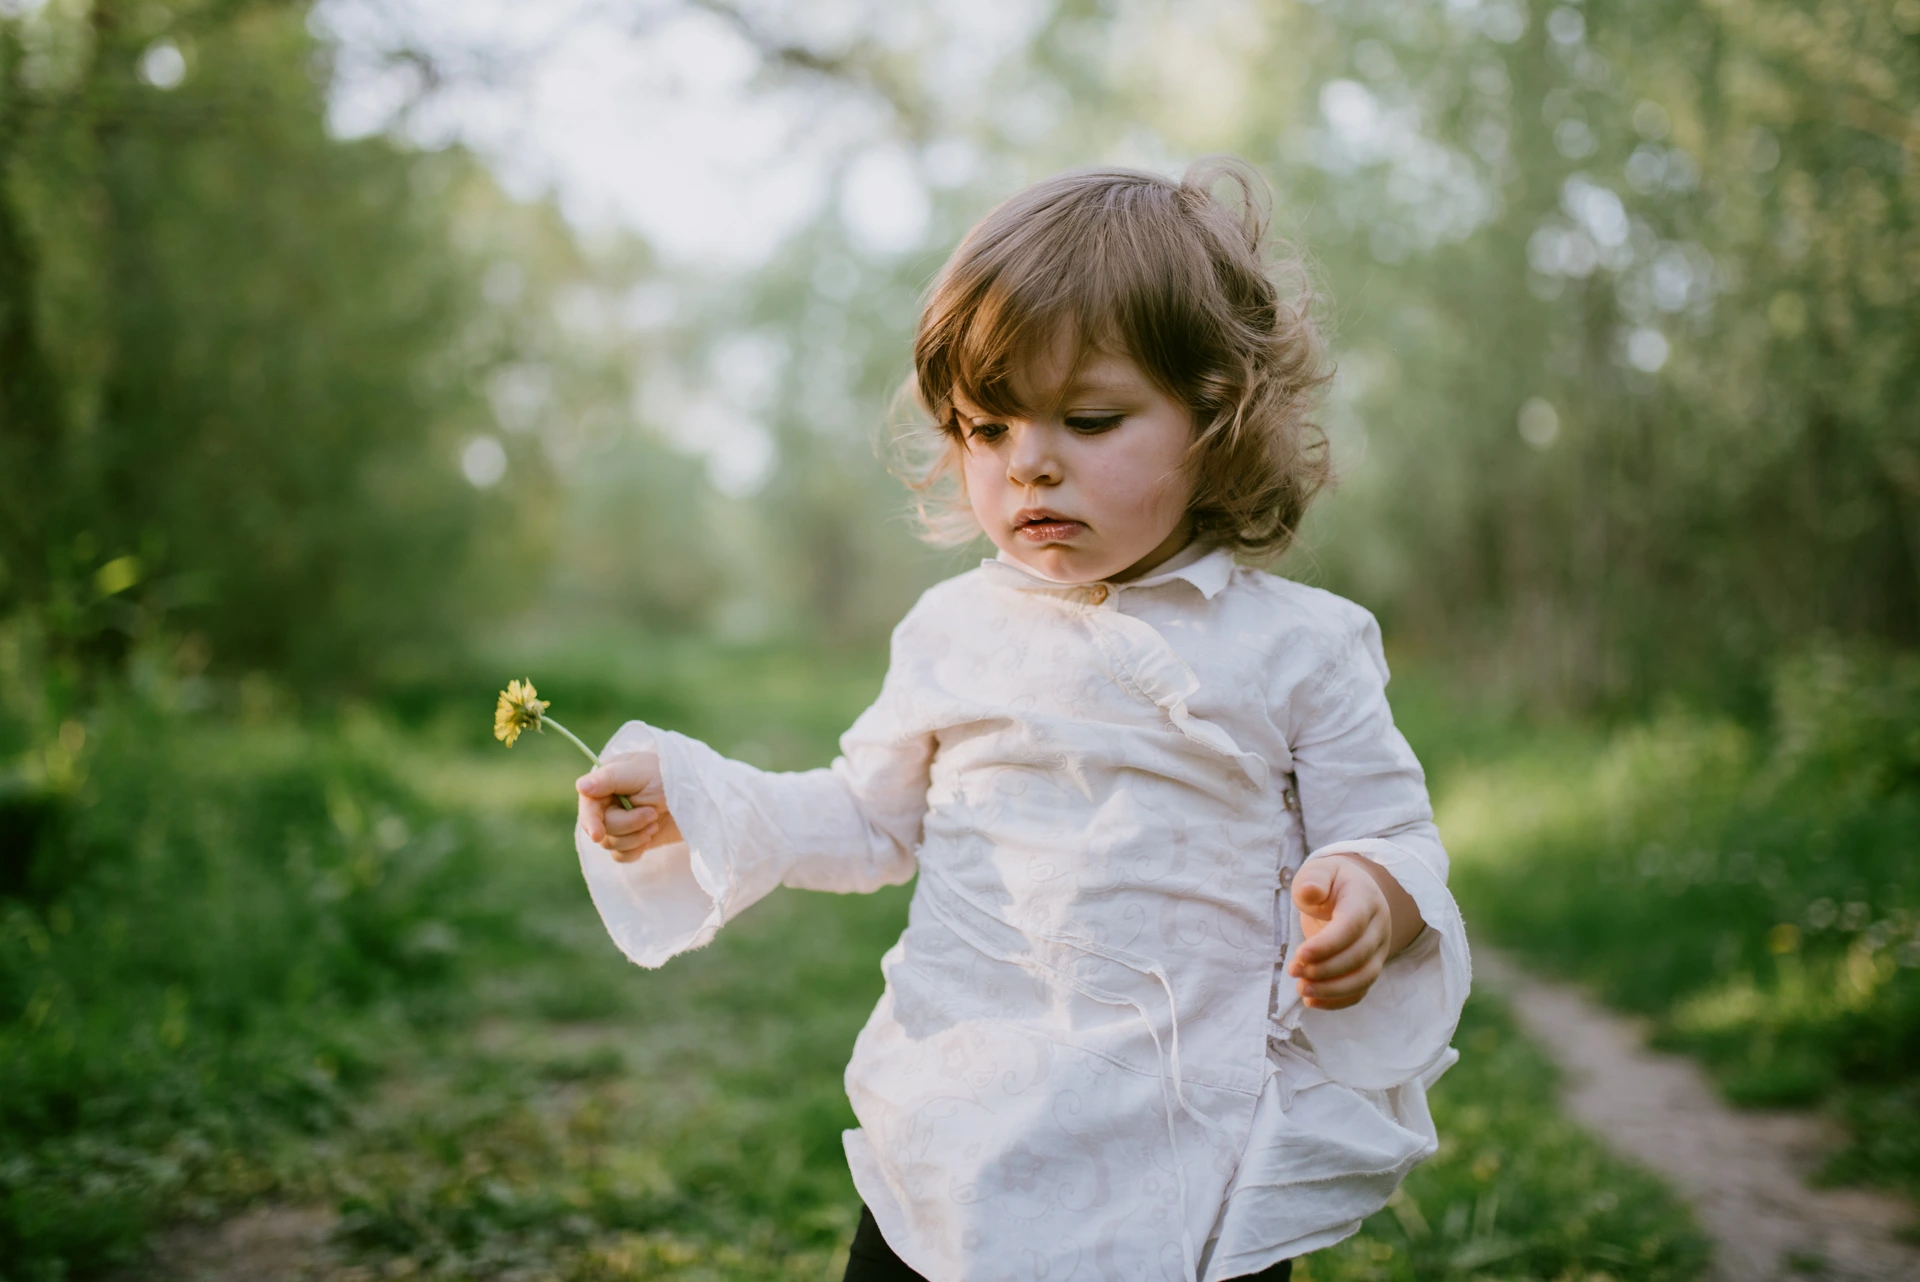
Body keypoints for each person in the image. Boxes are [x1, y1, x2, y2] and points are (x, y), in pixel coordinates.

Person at [572, 158, 1472, 1282]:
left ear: (1217, 417)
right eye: (987, 429)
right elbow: (865, 817)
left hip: (1185, 1144)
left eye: (1090, 419)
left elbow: (1391, 827)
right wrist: (703, 802)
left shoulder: (1301, 646)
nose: (1030, 463)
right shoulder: (954, 630)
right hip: (958, 1128)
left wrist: (1373, 896)